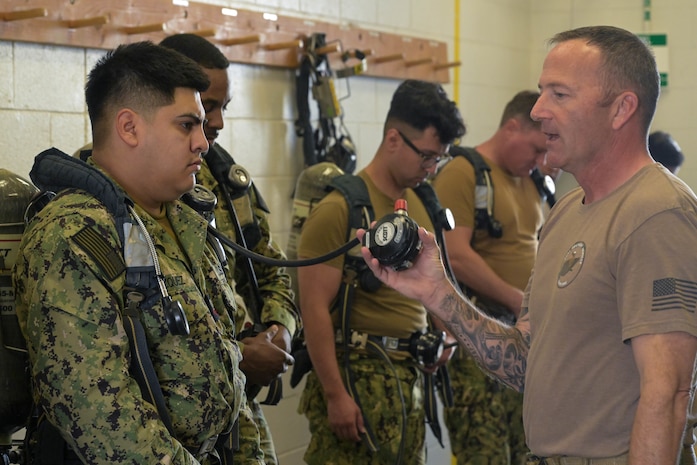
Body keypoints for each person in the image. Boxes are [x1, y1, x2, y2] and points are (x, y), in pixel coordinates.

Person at [358, 25, 697, 465]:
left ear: (621, 109)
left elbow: (668, 392)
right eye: (541, 92)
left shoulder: (656, 212)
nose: (538, 110)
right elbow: (525, 361)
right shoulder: (566, 211)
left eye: (559, 94)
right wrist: (438, 292)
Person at [13, 41, 260, 464]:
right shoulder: (74, 236)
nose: (203, 142)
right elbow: (100, 416)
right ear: (129, 127)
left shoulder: (187, 221)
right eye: (187, 125)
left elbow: (227, 370)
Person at [296, 79, 466, 464]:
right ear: (393, 139)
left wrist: (446, 339)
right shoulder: (340, 208)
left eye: (438, 158)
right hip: (357, 378)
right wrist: (336, 396)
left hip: (409, 382)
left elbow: (435, 285)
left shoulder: (423, 201)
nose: (431, 168)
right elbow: (313, 308)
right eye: (425, 156)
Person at [159, 33, 300, 465]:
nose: (216, 122)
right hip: (169, 429)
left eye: (223, 107)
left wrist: (279, 331)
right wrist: (239, 355)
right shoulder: (109, 193)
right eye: (207, 105)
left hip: (238, 415)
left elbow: (273, 270)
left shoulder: (227, 182)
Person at [432, 90, 546, 465]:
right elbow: (457, 256)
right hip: (480, 335)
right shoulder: (464, 173)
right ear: (512, 127)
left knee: (530, 451)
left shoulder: (530, 180)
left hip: (525, 337)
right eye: (535, 148)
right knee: (485, 454)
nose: (539, 160)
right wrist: (519, 299)